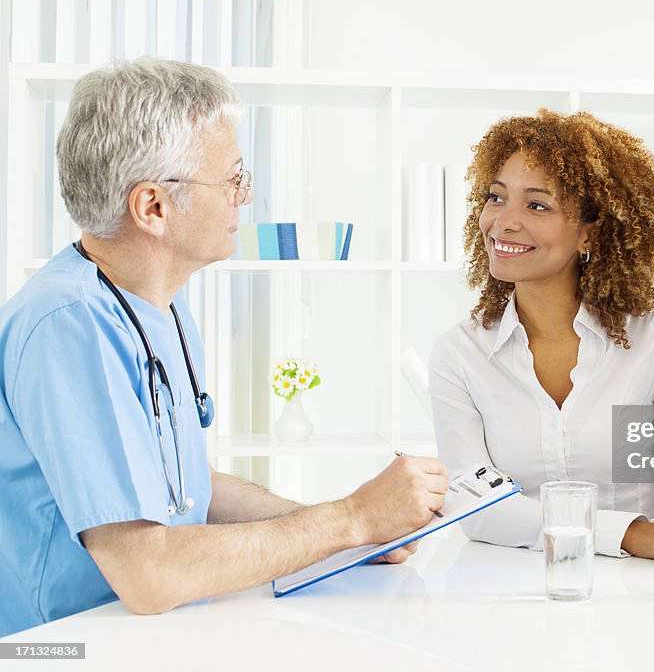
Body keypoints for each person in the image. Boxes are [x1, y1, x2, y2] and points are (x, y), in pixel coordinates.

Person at [0, 57, 448, 637]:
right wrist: (351, 520)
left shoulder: (159, 304)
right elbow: (148, 573)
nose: (247, 198)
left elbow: (190, 488)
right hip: (64, 645)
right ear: (153, 207)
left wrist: (351, 532)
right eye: (234, 179)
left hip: (139, 634)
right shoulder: (71, 324)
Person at [428, 109, 654, 560]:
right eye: (496, 197)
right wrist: (627, 536)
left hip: (641, 590)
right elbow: (475, 505)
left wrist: (651, 542)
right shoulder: (459, 354)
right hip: (505, 587)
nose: (503, 221)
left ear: (589, 234)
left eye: (537, 205)